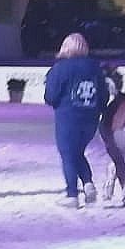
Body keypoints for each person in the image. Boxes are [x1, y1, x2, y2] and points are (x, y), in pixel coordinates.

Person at [43, 32, 107, 209]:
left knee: (68, 155)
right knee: (77, 153)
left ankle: (72, 194)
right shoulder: (95, 67)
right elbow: (103, 95)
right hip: (91, 119)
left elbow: (51, 96)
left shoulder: (60, 68)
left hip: (68, 118)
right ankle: (88, 183)